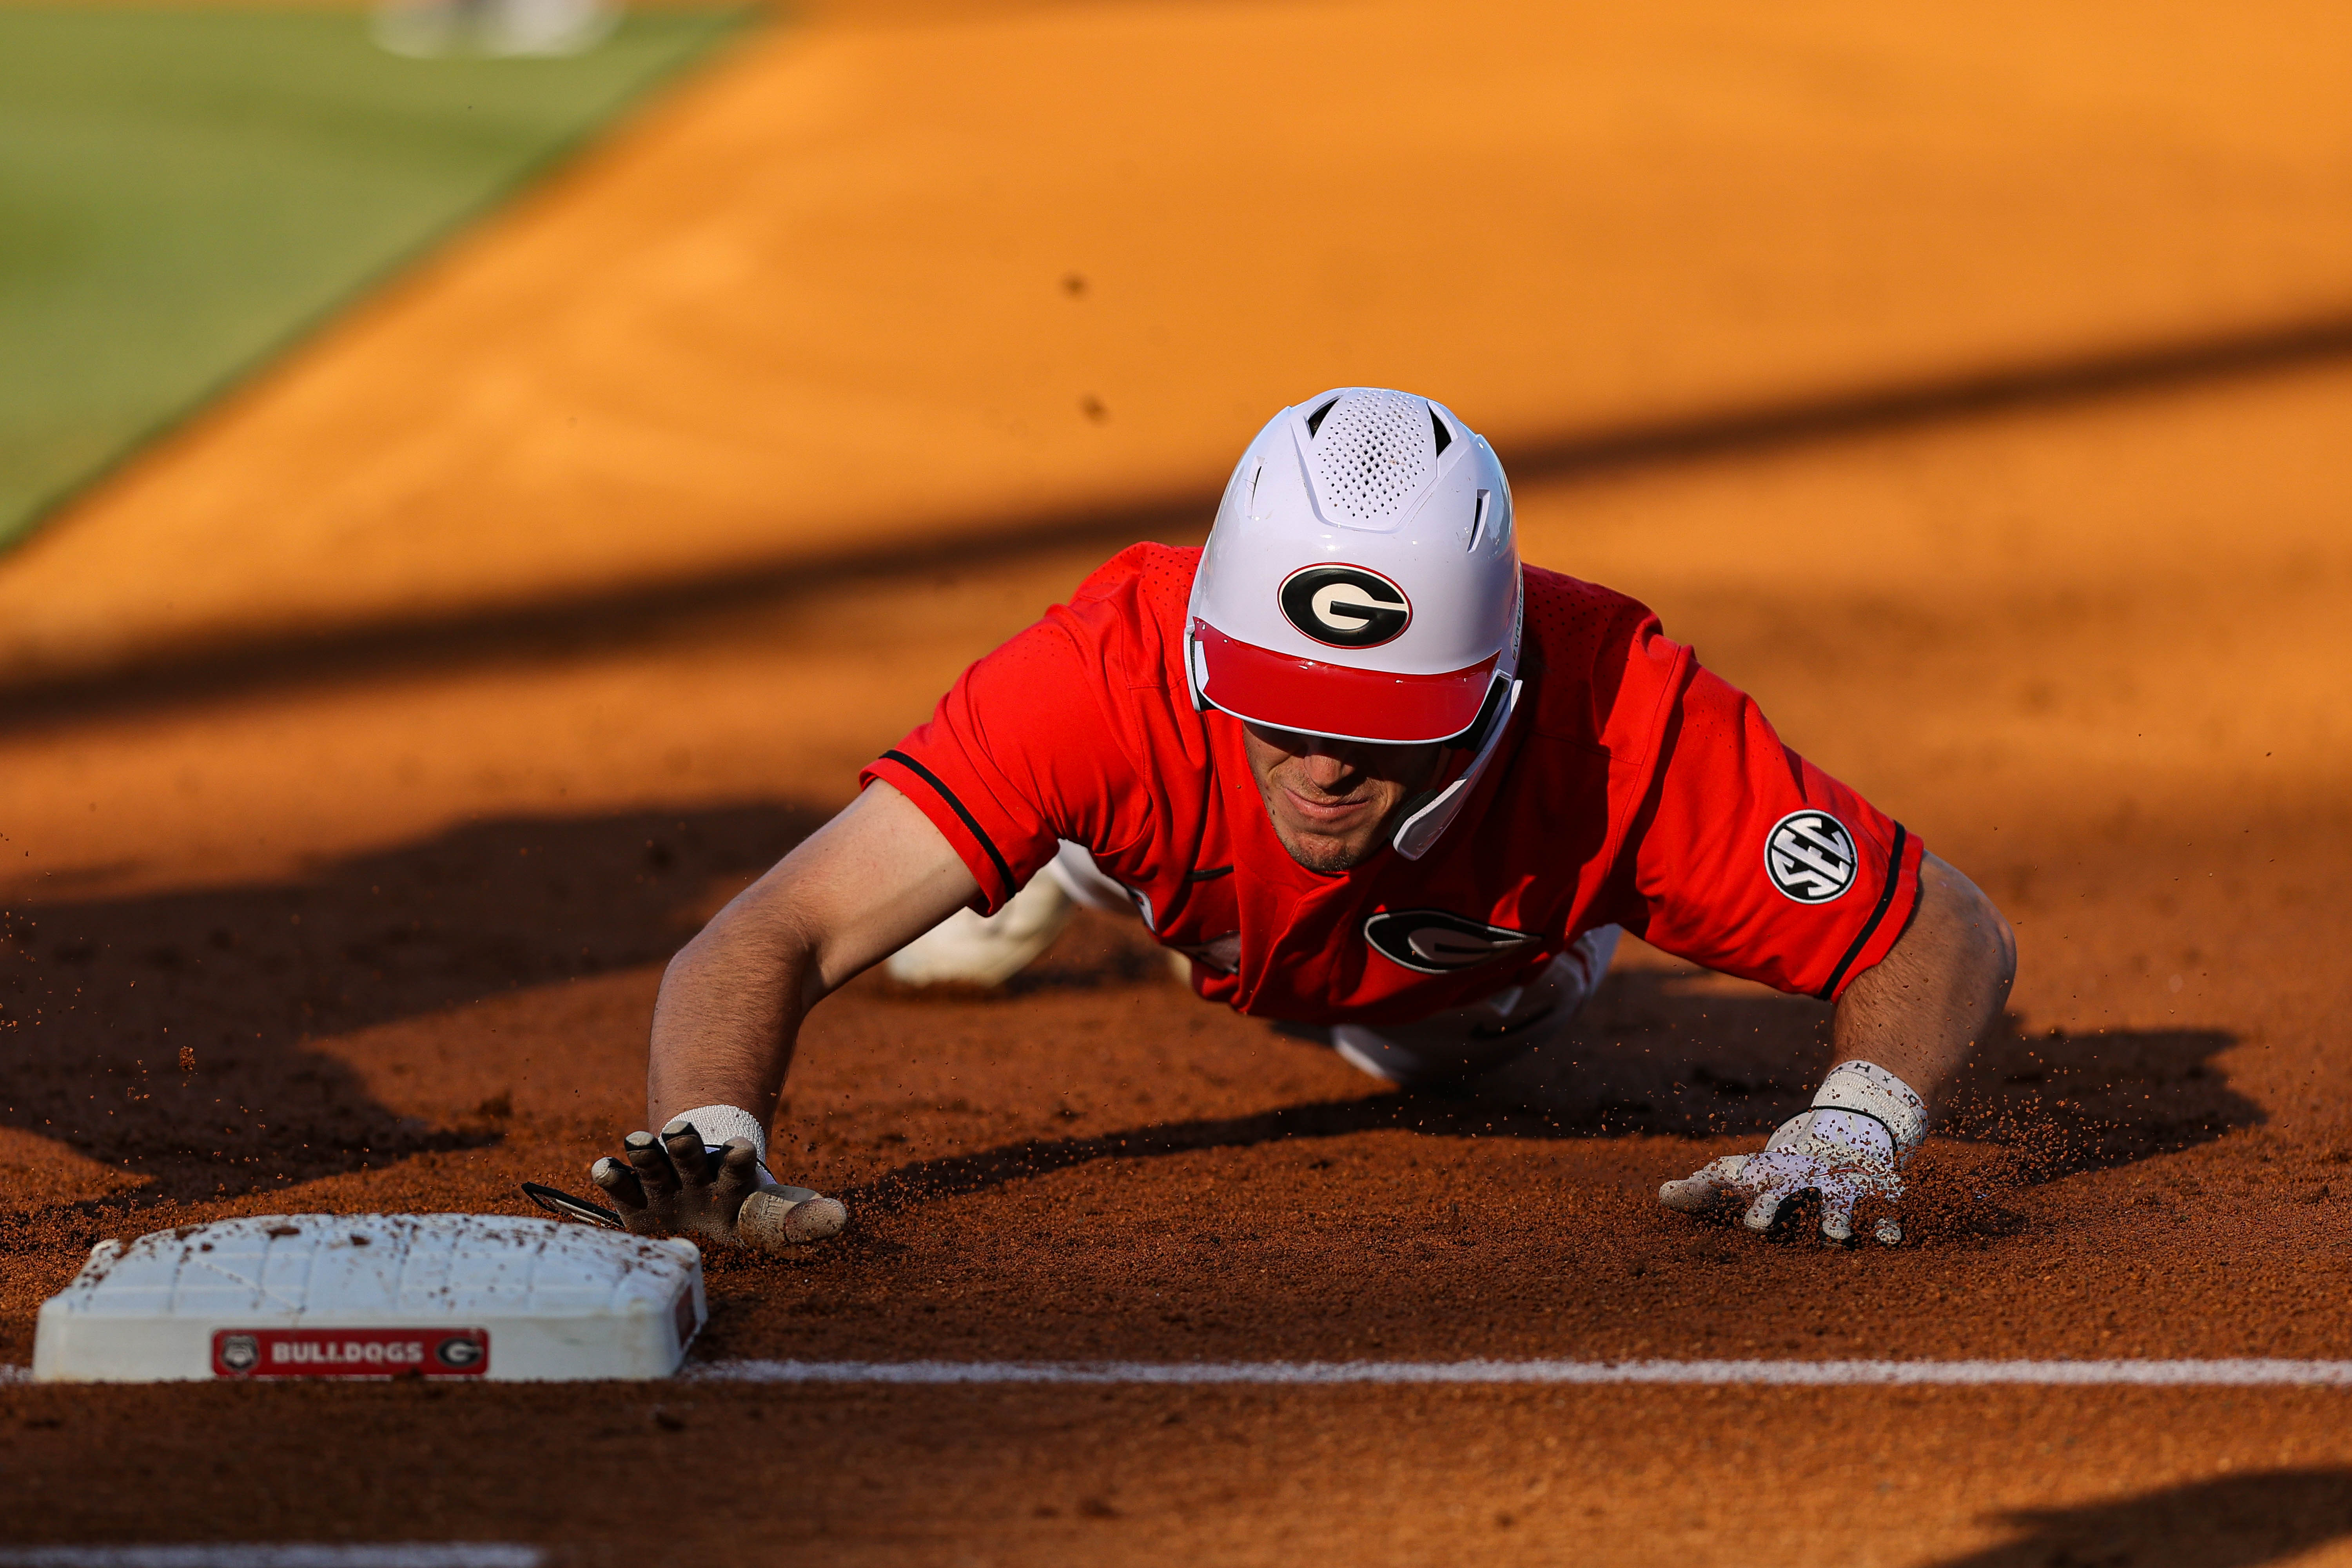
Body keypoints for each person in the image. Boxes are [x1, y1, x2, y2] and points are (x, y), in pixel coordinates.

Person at [588, 388, 2016, 1252]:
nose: (1325, 768)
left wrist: (1859, 1125)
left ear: (1495, 684)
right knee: (1103, 834)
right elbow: (762, 934)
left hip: (1456, 978)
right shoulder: (1106, 674)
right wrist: (710, 1142)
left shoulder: (1616, 720)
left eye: (1385, 730)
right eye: (1280, 711)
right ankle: (1020, 860)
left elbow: (1938, 923)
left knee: (1469, 1055)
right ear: (1211, 651)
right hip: (1160, 859)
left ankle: (1047, 856)